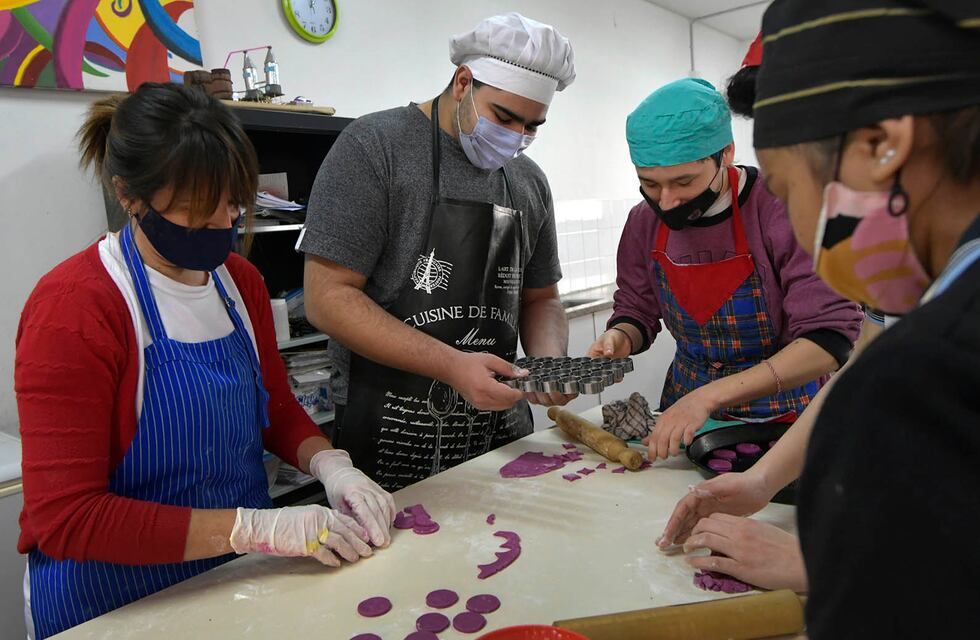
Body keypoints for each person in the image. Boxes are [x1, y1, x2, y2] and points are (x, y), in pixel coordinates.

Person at [15, 83, 395, 640]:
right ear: (128, 195)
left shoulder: (239, 282)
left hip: (231, 579)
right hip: (111, 602)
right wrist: (253, 528)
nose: (222, 225)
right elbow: (67, 518)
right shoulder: (76, 309)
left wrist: (331, 466)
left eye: (233, 204)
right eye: (196, 211)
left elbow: (274, 408)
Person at [742, 0, 978, 635]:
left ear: (881, 145)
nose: (800, 229)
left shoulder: (931, 374)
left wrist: (832, 559)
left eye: (786, 191)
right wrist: (761, 481)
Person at [300, 13, 577, 491]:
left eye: (532, 126)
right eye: (504, 117)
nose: (516, 137)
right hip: (390, 434)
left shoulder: (529, 180)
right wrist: (452, 366)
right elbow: (327, 298)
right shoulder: (374, 149)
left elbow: (541, 299)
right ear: (463, 82)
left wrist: (549, 362)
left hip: (501, 433)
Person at [588, 78, 863, 460]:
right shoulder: (643, 223)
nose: (666, 202)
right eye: (649, 184)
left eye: (684, 181)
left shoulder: (783, 208)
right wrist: (621, 336)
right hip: (685, 409)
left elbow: (829, 340)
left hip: (786, 413)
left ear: (727, 153)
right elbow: (637, 308)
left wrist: (711, 396)